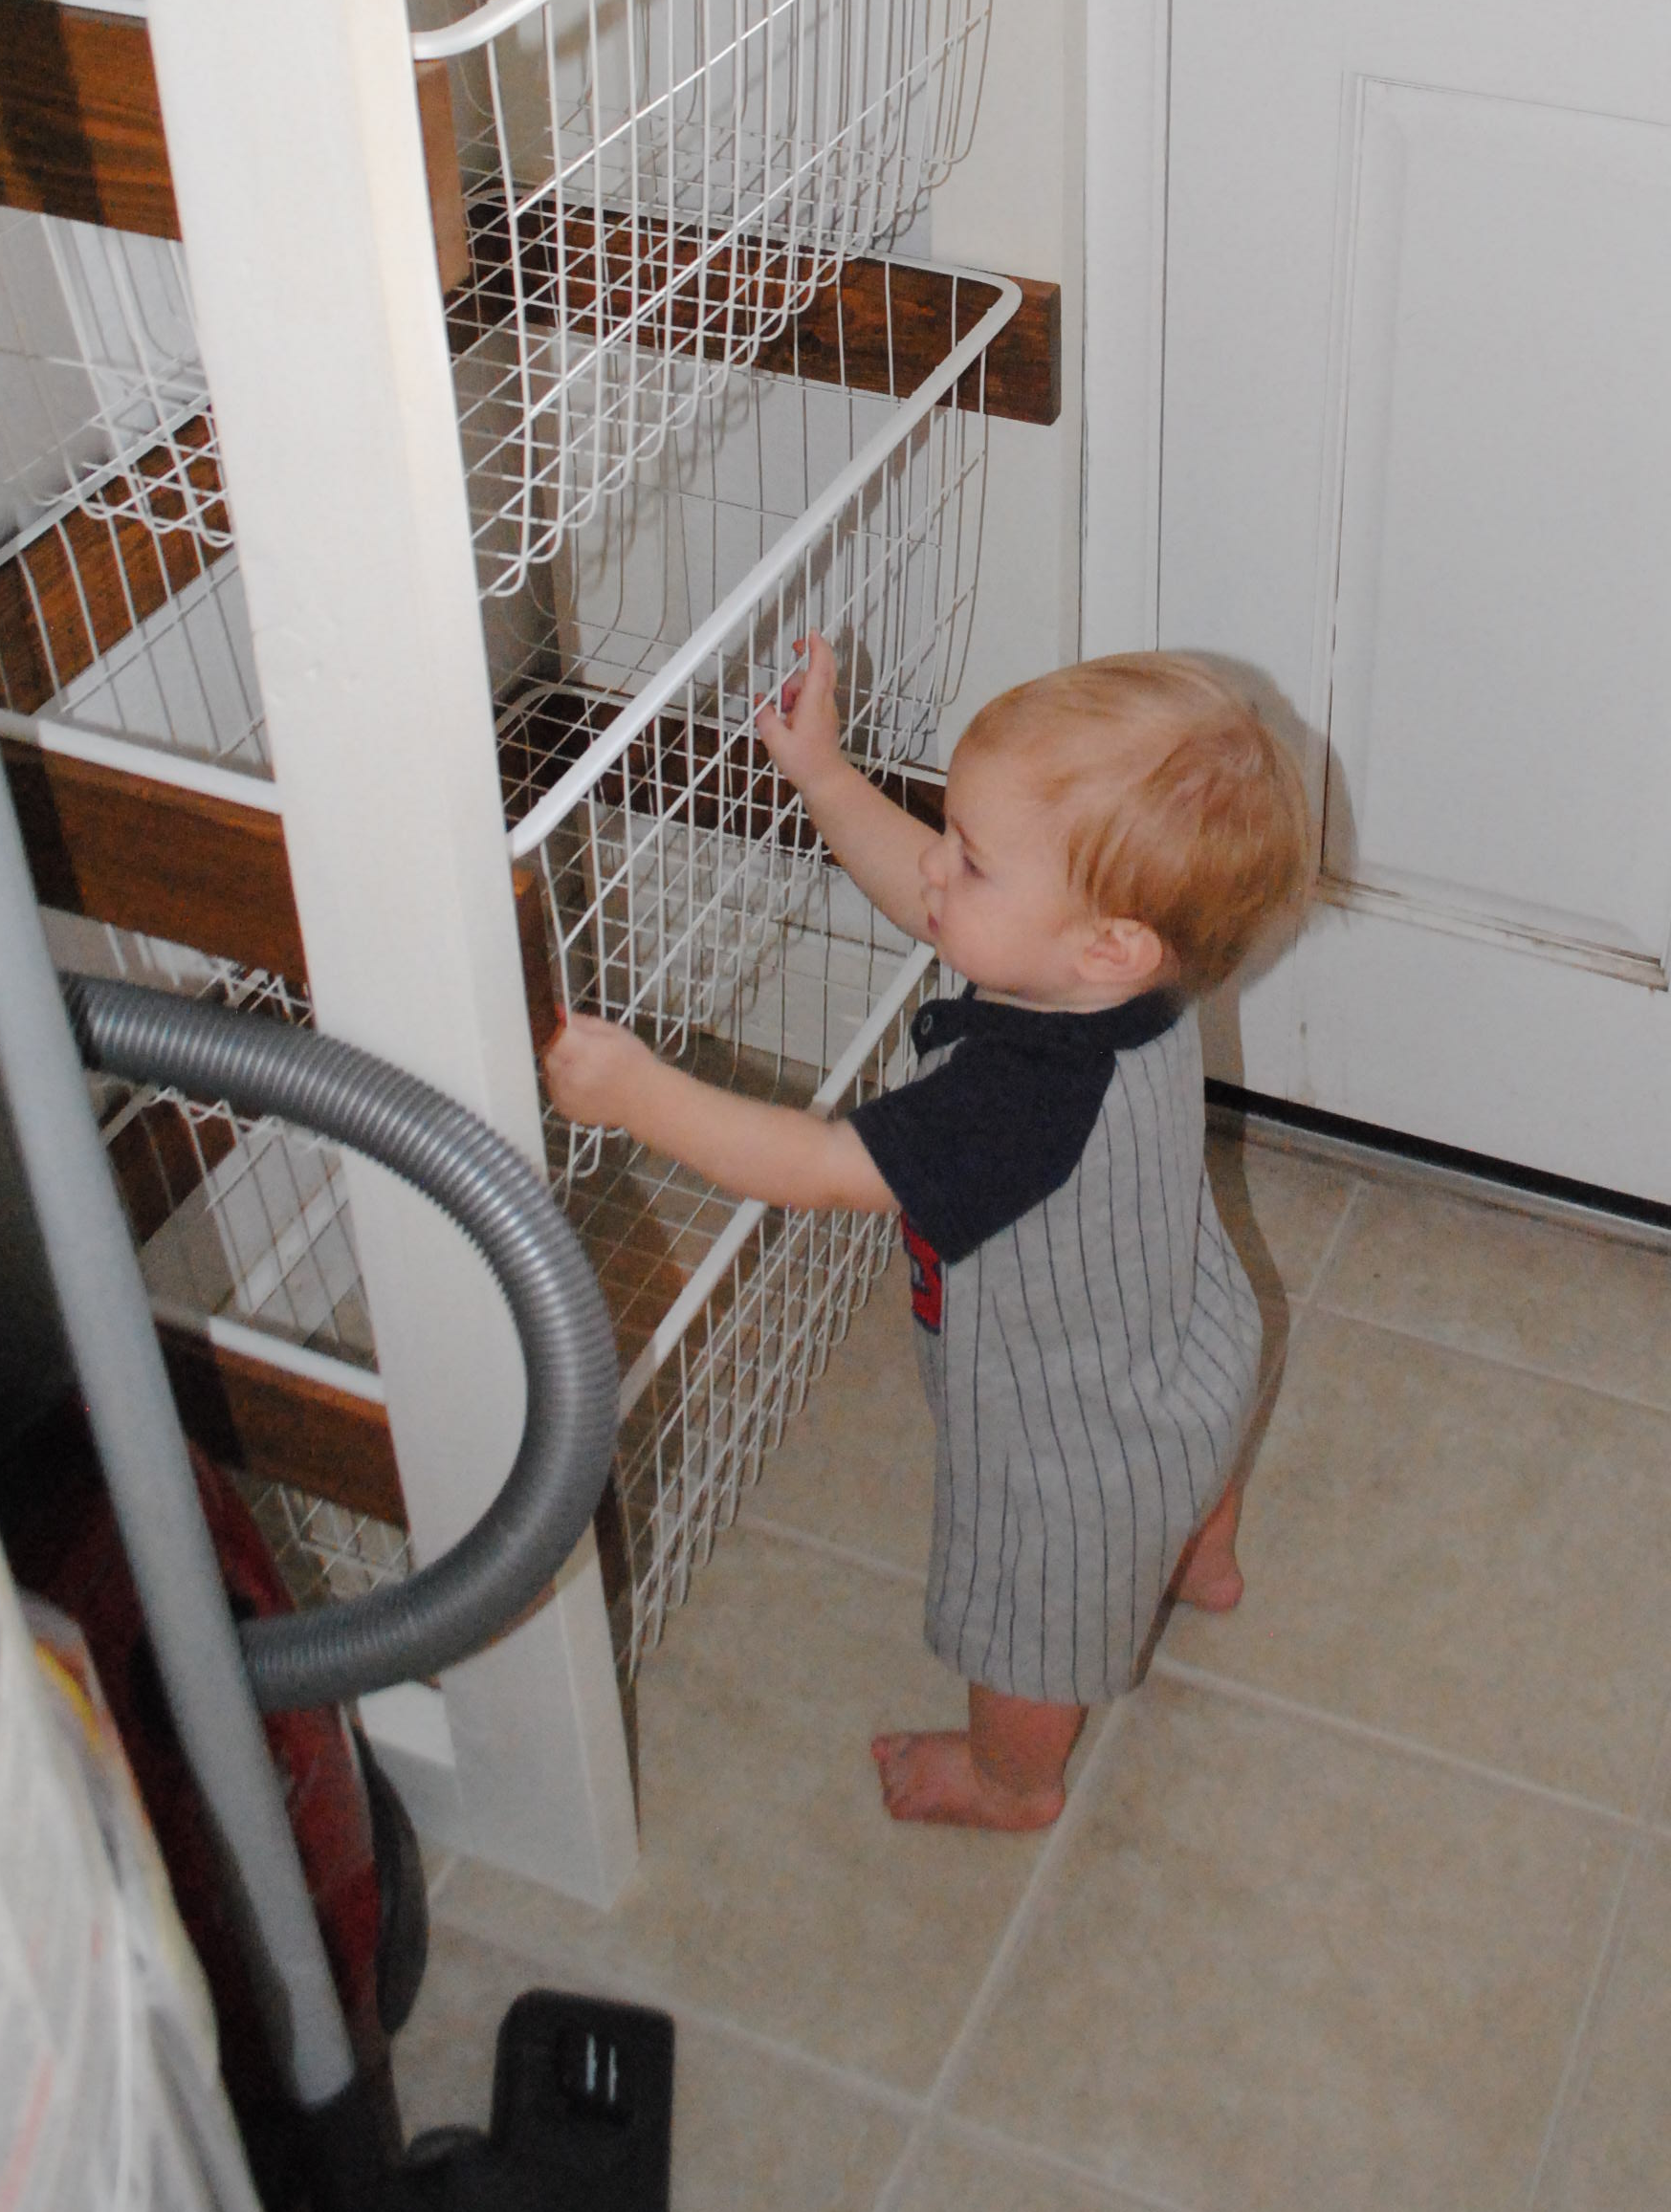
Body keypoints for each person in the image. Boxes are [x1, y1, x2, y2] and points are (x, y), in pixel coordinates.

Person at [542, 642, 1313, 1831]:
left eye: (974, 858)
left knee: (1025, 1625)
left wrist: (641, 1094)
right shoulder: (1136, 972)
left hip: (1068, 1441)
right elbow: (924, 887)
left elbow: (809, 1165)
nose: (939, 870)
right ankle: (1198, 1557)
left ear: (1106, 939)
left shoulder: (1016, 1102)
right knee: (1186, 1464)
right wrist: (826, 774)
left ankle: (1013, 1779)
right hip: (1190, 1336)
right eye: (952, 835)